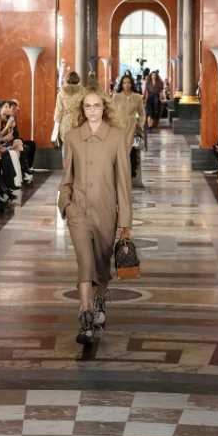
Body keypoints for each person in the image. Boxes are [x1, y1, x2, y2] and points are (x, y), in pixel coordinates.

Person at [59, 91, 133, 345]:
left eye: (97, 106)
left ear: (104, 108)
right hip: (78, 211)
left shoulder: (116, 138)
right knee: (85, 264)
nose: (92, 110)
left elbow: (124, 183)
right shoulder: (72, 137)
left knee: (102, 265)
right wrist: (65, 205)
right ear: (83, 109)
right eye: (88, 106)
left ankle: (100, 298)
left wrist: (125, 222)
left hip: (105, 212)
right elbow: (66, 176)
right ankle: (85, 316)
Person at [111, 73, 145, 177]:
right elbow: (111, 113)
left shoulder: (137, 97)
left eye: (129, 82)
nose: (126, 85)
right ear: (121, 84)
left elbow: (142, 114)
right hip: (119, 128)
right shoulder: (116, 97)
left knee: (132, 152)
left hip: (132, 128)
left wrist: (139, 125)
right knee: (119, 152)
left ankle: (131, 174)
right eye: (124, 82)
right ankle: (119, 174)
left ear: (132, 84)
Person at [54, 71, 85, 145]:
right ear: (78, 79)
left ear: (67, 80)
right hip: (79, 121)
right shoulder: (83, 92)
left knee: (66, 145)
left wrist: (55, 130)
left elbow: (58, 112)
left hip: (66, 122)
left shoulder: (61, 94)